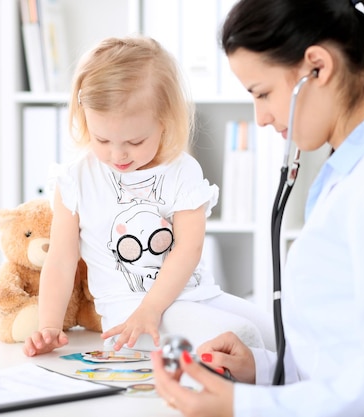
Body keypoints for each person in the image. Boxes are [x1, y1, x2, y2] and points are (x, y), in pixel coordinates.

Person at [150, 0, 364, 416]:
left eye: (263, 93)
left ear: (317, 67)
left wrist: (245, 407)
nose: (260, 117)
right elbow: (350, 358)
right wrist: (262, 369)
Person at [23, 35, 274, 358]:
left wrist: (154, 306)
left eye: (135, 141)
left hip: (192, 296)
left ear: (164, 121)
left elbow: (188, 248)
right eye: (102, 139)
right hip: (131, 313)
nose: (118, 154)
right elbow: (61, 259)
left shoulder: (182, 171)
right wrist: (48, 326)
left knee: (275, 333)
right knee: (242, 336)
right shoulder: (75, 179)